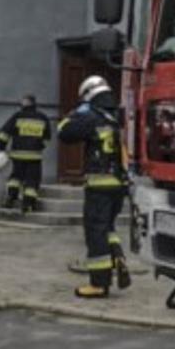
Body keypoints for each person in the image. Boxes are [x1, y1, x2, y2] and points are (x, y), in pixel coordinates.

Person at [57, 75, 130, 298]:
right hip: (119, 183)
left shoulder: (91, 115)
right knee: (107, 226)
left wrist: (75, 112)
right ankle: (117, 255)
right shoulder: (117, 115)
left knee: (95, 231)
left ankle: (99, 283)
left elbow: (64, 132)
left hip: (99, 184)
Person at [0, 95, 51, 213]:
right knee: (32, 180)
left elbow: (4, 133)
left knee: (15, 177)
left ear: (23, 104)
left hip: (18, 155)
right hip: (34, 156)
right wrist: (39, 146)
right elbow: (47, 138)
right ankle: (28, 204)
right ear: (34, 104)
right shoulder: (42, 117)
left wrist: (1, 148)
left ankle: (10, 198)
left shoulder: (17, 117)